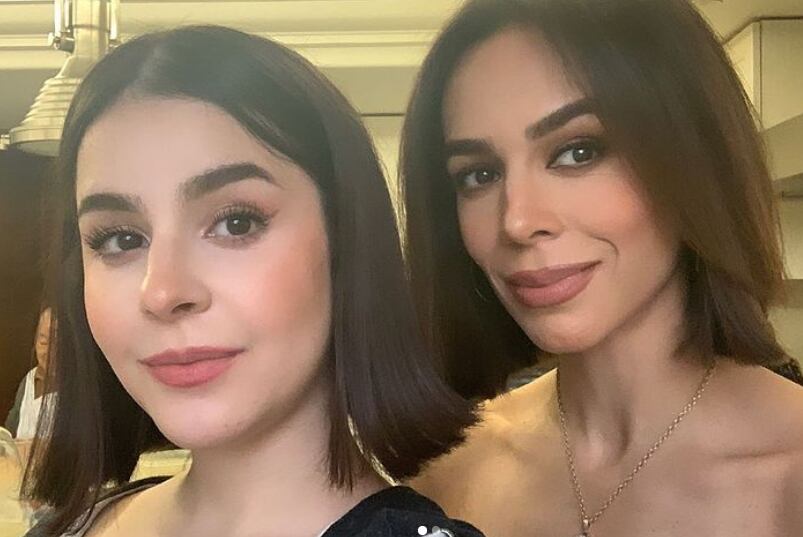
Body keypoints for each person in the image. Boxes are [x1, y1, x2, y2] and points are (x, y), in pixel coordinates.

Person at [22, 25, 483, 537]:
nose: (162, 292)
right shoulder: (71, 526)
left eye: (236, 223)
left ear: (346, 242)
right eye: (120, 239)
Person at [399, 1, 803, 535]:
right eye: (478, 175)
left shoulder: (790, 470)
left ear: (692, 156)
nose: (517, 221)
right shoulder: (447, 472)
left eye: (578, 151)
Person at [4, 308, 56, 440]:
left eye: (57, 342)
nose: (49, 351)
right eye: (43, 342)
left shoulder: (79, 388)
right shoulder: (29, 380)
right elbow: (10, 429)